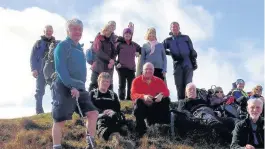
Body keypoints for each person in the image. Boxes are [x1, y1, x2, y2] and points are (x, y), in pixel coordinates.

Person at [52, 18, 98, 149]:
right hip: (63, 86)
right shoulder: (62, 46)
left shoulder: (79, 48)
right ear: (67, 31)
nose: (78, 32)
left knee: (93, 113)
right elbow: (61, 69)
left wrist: (80, 86)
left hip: (80, 87)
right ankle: (57, 146)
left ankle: (90, 144)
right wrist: (71, 86)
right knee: (60, 119)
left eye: (80, 30)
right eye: (74, 29)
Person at [90, 72, 134, 148]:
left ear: (110, 83)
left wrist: (112, 111)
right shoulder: (93, 94)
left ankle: (124, 139)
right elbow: (90, 107)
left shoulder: (113, 94)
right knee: (102, 123)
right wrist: (102, 112)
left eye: (107, 82)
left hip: (113, 116)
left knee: (124, 122)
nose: (105, 83)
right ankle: (113, 138)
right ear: (98, 82)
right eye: (103, 81)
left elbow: (117, 108)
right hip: (99, 117)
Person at [131, 62, 170, 136]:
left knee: (166, 99)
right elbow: (133, 95)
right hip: (142, 107)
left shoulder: (159, 80)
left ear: (153, 71)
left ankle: (163, 127)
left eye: (150, 69)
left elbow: (167, 92)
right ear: (142, 70)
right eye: (146, 69)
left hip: (155, 106)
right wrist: (143, 96)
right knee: (138, 101)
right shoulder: (136, 80)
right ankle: (141, 131)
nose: (148, 71)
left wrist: (161, 95)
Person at [163, 22, 197, 100]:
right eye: (173, 27)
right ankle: (181, 104)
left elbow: (192, 49)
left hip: (188, 64)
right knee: (179, 85)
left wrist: (194, 59)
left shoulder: (186, 38)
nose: (175, 28)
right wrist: (170, 53)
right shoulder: (168, 40)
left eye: (176, 27)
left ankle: (189, 103)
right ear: (170, 29)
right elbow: (161, 49)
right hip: (177, 65)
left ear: (179, 28)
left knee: (188, 84)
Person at [30, 25, 56, 114]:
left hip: (52, 71)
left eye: (50, 31)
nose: (49, 32)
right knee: (39, 91)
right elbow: (32, 57)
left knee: (55, 90)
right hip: (40, 70)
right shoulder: (38, 43)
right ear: (44, 32)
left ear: (52, 32)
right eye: (47, 30)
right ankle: (39, 111)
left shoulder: (56, 43)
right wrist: (33, 69)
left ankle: (55, 110)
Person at [115, 28, 141, 100]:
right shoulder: (119, 44)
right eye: (126, 33)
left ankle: (129, 101)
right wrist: (116, 63)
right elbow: (113, 55)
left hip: (131, 69)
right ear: (123, 35)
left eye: (129, 34)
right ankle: (122, 101)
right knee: (122, 85)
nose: (127, 35)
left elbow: (142, 50)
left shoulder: (134, 45)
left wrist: (138, 52)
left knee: (131, 86)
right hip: (121, 68)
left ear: (131, 35)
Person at [89, 24, 116, 91]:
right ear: (103, 30)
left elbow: (114, 53)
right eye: (106, 30)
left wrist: (112, 61)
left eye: (109, 31)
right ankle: (90, 99)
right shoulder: (98, 38)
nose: (108, 32)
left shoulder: (111, 41)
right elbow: (98, 52)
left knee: (108, 84)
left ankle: (109, 99)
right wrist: (109, 60)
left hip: (107, 68)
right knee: (94, 84)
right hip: (97, 67)